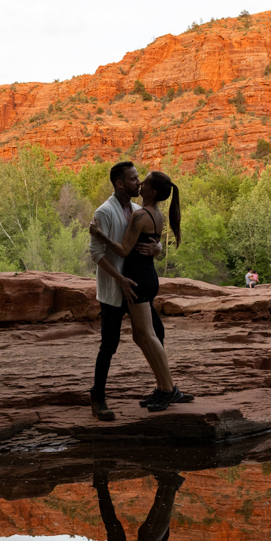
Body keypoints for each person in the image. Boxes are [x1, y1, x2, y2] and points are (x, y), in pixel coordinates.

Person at [86, 162, 187, 419]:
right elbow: (96, 254)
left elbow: (150, 239)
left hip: (137, 285)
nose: (138, 182)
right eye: (133, 179)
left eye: (140, 179)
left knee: (155, 333)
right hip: (115, 288)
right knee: (109, 345)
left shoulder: (137, 210)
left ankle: (166, 388)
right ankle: (98, 399)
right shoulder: (104, 212)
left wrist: (158, 249)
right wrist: (120, 279)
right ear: (120, 184)